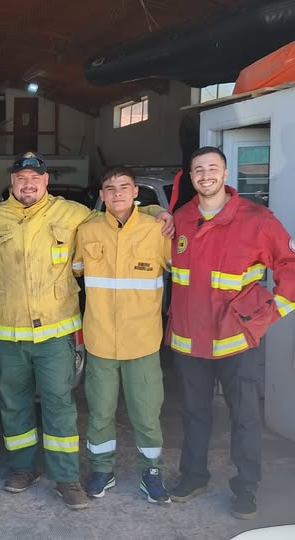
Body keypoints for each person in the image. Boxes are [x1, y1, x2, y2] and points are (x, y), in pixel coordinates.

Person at [0, 151, 173, 510]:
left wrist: (157, 211)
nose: (28, 184)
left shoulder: (74, 214)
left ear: (46, 181)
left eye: (34, 178)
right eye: (21, 179)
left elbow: (117, 215)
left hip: (55, 334)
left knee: (60, 406)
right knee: (13, 405)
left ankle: (66, 477)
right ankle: (22, 468)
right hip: (8, 332)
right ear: (12, 182)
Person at [167, 146, 295, 519]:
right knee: (194, 414)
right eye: (198, 170)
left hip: (236, 340)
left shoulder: (257, 219)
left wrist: (267, 315)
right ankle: (194, 476)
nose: (205, 175)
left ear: (225, 174)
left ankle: (246, 486)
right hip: (189, 339)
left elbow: (290, 266)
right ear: (191, 176)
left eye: (212, 168)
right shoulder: (181, 218)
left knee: (245, 417)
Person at [73, 166, 171, 504]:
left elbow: (182, 268)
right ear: (101, 195)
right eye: (110, 188)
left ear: (135, 193)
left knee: (146, 413)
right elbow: (74, 271)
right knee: (100, 412)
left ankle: (152, 471)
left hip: (142, 340)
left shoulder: (157, 230)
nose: (117, 194)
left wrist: (160, 212)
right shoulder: (87, 232)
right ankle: (102, 470)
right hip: (100, 339)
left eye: (124, 187)